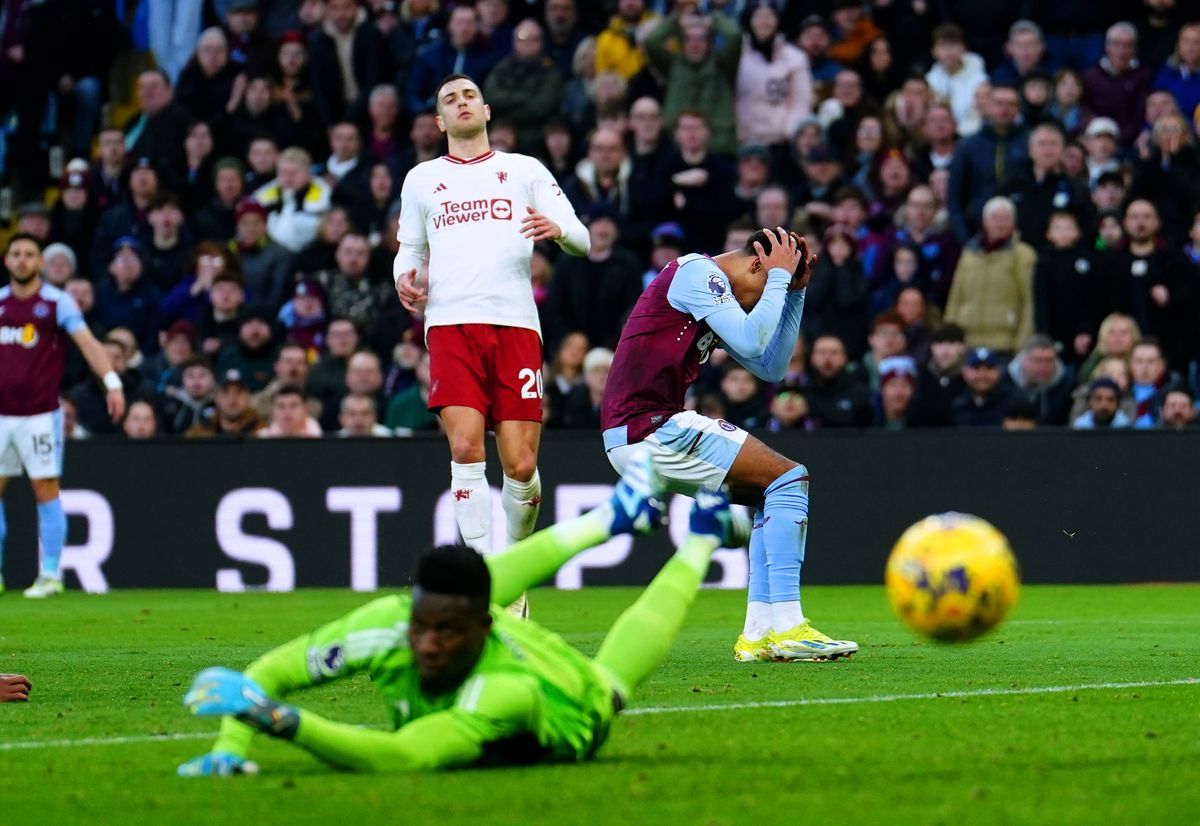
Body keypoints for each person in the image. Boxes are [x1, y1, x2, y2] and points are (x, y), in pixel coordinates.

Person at [177, 453, 746, 776]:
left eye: (446, 633)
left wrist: (279, 721)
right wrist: (230, 748)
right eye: (420, 626)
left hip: (572, 707)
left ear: (492, 622)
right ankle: (613, 517)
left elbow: (401, 755)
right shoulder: (390, 624)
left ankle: (700, 540)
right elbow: (274, 670)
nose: (426, 644)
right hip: (491, 638)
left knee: (609, 683)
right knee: (470, 580)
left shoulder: (502, 693)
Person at [602, 227, 857, 664]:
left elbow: (771, 366)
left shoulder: (714, 293)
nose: (764, 299)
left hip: (641, 428)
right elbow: (753, 338)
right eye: (767, 281)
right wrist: (779, 279)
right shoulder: (697, 274)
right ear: (757, 264)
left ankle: (760, 634)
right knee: (790, 478)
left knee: (769, 492)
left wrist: (794, 294)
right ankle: (790, 625)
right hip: (649, 426)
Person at [393, 73, 590, 617]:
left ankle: (516, 560)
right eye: (448, 99)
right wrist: (404, 277)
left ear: (485, 110)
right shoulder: (421, 180)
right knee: (465, 450)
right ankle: (487, 589)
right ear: (438, 121)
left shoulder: (524, 170)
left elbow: (583, 239)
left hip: (516, 327)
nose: (460, 103)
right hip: (451, 324)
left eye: (468, 96)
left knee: (521, 465)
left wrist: (557, 229)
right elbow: (408, 249)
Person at [0, 234, 126, 598]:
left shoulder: (56, 303)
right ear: (7, 261)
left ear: (40, 263)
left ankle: (51, 573)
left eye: (29, 255)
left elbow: (88, 343)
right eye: (16, 254)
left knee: (45, 489)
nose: (22, 260)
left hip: (39, 415)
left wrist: (112, 383)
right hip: (1, 414)